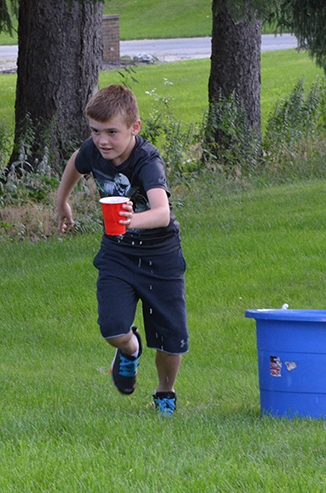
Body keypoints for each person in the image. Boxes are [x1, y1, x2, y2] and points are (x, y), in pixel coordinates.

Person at [56, 84, 189, 417]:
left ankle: (165, 393)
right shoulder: (94, 150)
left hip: (161, 257)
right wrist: (62, 202)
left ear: (134, 128)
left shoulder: (148, 161)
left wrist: (131, 220)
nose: (102, 140)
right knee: (113, 328)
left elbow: (162, 213)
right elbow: (76, 161)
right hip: (117, 254)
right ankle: (130, 351)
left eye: (112, 132)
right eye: (95, 131)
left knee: (171, 339)